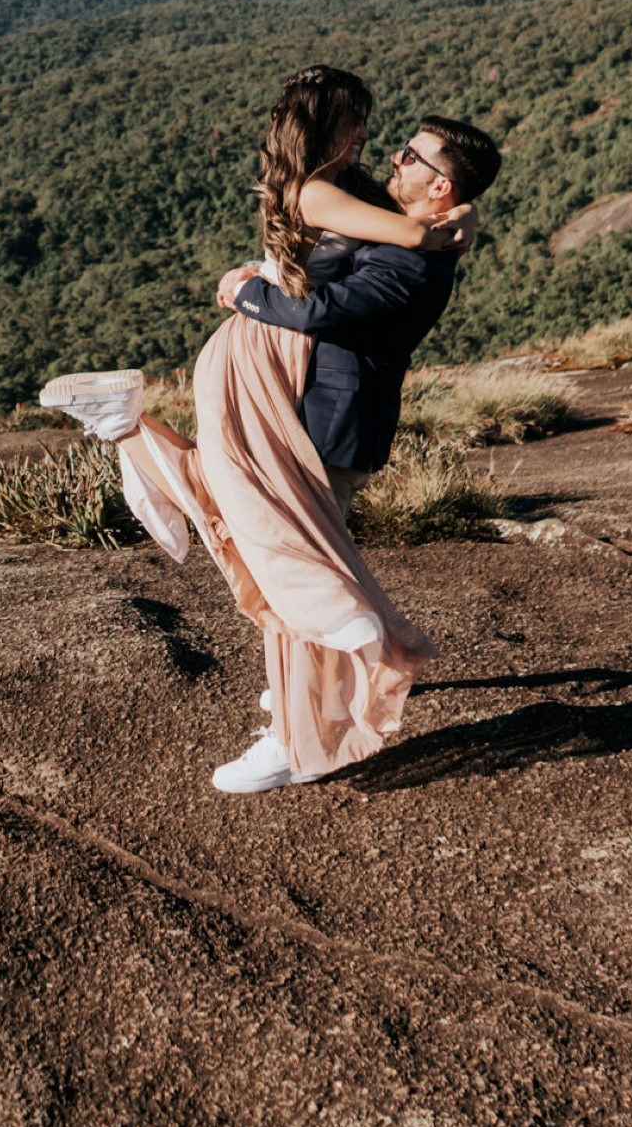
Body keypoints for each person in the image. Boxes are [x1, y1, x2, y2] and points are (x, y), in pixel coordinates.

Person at [40, 67, 503, 792]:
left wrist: (252, 290)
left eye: (412, 156)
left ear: (442, 186)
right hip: (287, 403)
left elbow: (320, 311)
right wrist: (263, 269)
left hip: (323, 422)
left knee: (292, 562)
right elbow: (325, 247)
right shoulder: (393, 216)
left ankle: (296, 736)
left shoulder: (421, 263)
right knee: (258, 536)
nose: (393, 157)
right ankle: (129, 430)